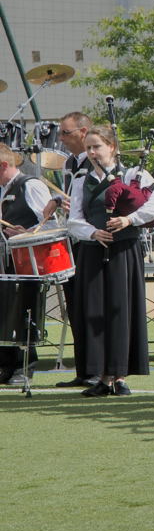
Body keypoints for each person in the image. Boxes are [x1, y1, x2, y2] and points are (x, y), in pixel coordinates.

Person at [67, 125, 154, 396]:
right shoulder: (80, 181)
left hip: (124, 250)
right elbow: (74, 219)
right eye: (88, 147)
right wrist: (92, 232)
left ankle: (120, 375)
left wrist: (128, 220)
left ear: (113, 147)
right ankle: (102, 377)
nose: (92, 152)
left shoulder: (135, 175)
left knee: (122, 309)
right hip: (94, 250)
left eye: (97, 146)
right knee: (95, 311)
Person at [48, 112, 100, 389]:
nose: (61, 139)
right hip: (73, 241)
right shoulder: (71, 162)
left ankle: (96, 369)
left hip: (92, 241)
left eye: (65, 133)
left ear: (83, 132)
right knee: (76, 305)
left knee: (90, 306)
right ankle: (84, 369)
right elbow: (71, 194)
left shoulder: (96, 161)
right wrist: (58, 200)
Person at [0, 144, 50, 387]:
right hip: (6, 261)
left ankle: (25, 365)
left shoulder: (31, 185)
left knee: (22, 312)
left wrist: (25, 233)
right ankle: (6, 364)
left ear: (4, 166)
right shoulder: (3, 189)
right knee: (4, 312)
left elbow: (51, 224)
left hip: (28, 263)